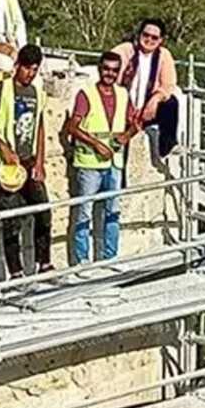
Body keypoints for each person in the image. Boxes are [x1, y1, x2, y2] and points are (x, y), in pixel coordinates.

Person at [0, 44, 51, 279]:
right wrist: (3, 147)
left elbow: (38, 126)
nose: (31, 74)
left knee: (43, 211)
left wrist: (40, 162)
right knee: (10, 218)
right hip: (6, 165)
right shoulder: (1, 89)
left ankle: (44, 263)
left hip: (28, 162)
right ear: (18, 66)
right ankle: (15, 271)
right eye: (27, 69)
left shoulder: (37, 93)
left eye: (35, 70)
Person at [63, 51, 138, 265]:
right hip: (89, 163)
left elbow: (134, 122)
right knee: (84, 213)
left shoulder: (123, 94)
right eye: (106, 69)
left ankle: (110, 258)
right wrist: (96, 144)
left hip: (114, 162)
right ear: (99, 68)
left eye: (114, 70)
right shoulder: (86, 94)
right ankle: (82, 262)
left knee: (113, 212)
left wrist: (127, 134)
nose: (110, 74)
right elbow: (72, 127)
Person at [111, 19, 181, 165]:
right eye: (146, 35)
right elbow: (110, 70)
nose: (149, 40)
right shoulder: (125, 50)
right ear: (139, 34)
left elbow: (168, 84)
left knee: (171, 103)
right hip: (124, 106)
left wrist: (155, 99)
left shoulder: (163, 55)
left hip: (147, 109)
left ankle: (166, 148)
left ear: (160, 40)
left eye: (154, 37)